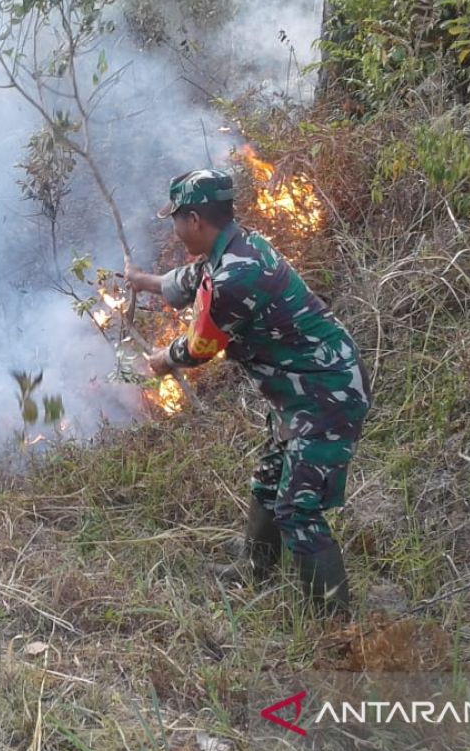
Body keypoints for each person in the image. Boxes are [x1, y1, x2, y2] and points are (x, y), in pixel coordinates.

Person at [125, 169, 371, 617]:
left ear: (195, 219)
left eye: (176, 220)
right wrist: (143, 281)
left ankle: (336, 628)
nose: (174, 230)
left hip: (326, 393)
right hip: (299, 392)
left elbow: (201, 347)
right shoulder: (233, 249)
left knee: (299, 508)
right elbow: (185, 282)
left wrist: (163, 360)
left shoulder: (236, 277)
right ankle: (255, 568)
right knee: (269, 480)